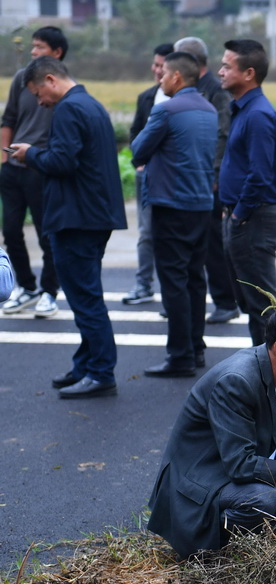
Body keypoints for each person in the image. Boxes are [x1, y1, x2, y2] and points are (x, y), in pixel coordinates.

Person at [146, 304, 276, 559]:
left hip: (237, 477)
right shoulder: (236, 380)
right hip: (201, 487)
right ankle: (214, 555)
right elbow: (241, 465)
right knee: (264, 500)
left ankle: (265, 548)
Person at [10, 57, 127, 399]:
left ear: (50, 80)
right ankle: (86, 365)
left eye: (37, 93)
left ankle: (101, 372)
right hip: (93, 214)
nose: (39, 102)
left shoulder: (68, 109)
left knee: (85, 299)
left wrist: (29, 155)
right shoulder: (90, 104)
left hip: (76, 217)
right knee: (85, 294)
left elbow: (62, 162)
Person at [131, 52, 218, 377]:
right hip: (201, 205)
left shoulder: (165, 110)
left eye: (164, 74)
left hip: (171, 205)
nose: (160, 79)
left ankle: (180, 355)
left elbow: (138, 150)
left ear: (177, 77)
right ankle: (195, 348)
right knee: (195, 279)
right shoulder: (209, 110)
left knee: (174, 281)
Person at [218, 39, 276, 346]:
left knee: (265, 307)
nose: (220, 71)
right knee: (252, 303)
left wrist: (239, 214)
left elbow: (260, 174)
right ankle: (263, 376)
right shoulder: (243, 109)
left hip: (253, 219)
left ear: (248, 73)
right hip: (243, 217)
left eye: (226, 66)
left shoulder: (258, 114)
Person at [0, 26, 68, 318]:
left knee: (46, 234)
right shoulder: (22, 79)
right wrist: (3, 160)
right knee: (11, 230)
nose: (33, 52)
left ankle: (49, 292)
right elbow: (9, 118)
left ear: (56, 52)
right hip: (13, 167)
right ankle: (26, 287)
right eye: (32, 46)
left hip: (41, 169)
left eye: (39, 47)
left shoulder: (64, 86)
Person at [173, 36, 240, 325]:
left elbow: (222, 135)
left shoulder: (215, 91)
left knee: (213, 244)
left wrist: (213, 175)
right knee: (195, 246)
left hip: (208, 180)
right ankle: (188, 302)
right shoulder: (194, 89)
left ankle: (226, 302)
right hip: (193, 179)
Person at [122, 42, 175, 306]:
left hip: (175, 178)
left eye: (161, 66)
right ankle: (143, 285)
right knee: (146, 234)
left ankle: (174, 293)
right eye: (154, 65)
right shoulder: (147, 97)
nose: (156, 71)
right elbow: (135, 134)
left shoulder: (187, 99)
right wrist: (138, 163)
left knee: (175, 235)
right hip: (148, 176)